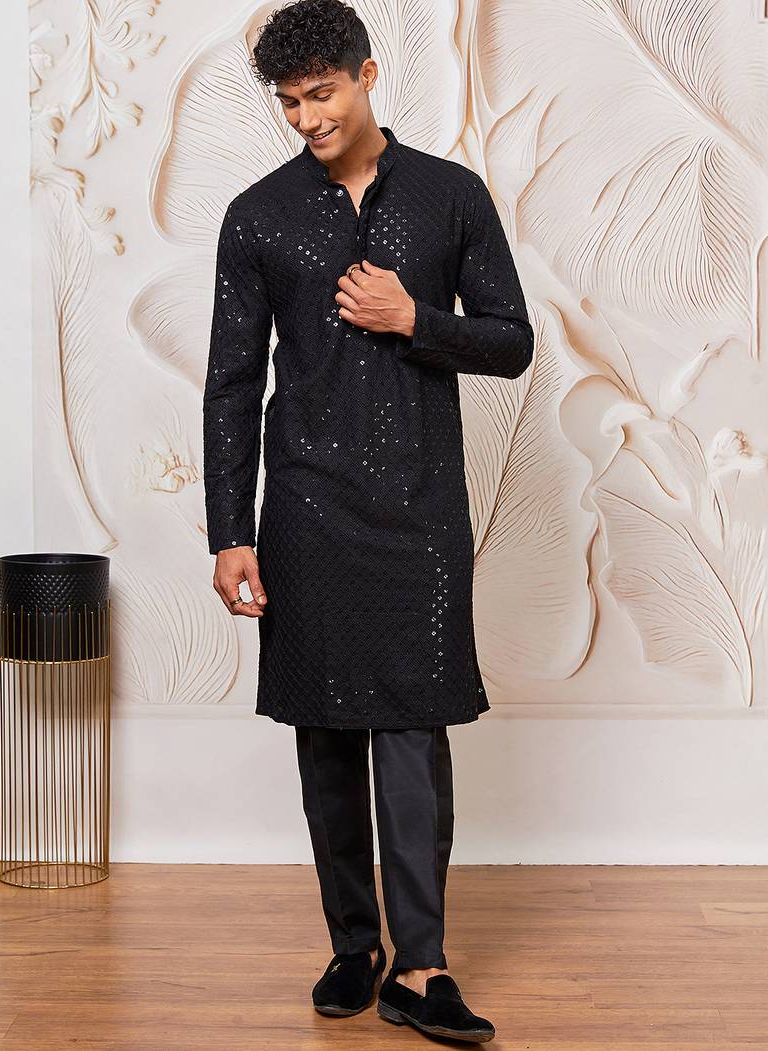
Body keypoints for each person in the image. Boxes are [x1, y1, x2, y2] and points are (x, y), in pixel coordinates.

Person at [202, 0, 533, 1041]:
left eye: (322, 94)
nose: (307, 118)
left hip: (420, 508)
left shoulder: (449, 196)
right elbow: (230, 384)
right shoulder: (257, 216)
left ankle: (421, 966)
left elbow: (512, 341)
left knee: (413, 729)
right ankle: (354, 944)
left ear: (367, 74)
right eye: (289, 103)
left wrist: (414, 318)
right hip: (303, 508)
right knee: (326, 734)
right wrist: (229, 531)